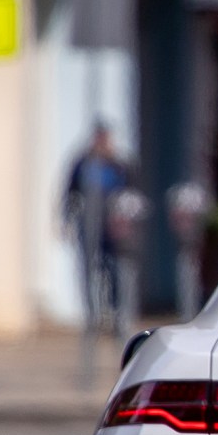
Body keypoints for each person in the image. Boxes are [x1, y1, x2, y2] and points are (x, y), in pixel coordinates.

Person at [61, 123, 133, 335]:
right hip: (88, 225)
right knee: (88, 272)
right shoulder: (83, 163)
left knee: (114, 271)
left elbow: (129, 196)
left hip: (112, 229)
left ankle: (117, 316)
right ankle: (93, 317)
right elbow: (69, 192)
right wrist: (66, 220)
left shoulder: (118, 164)